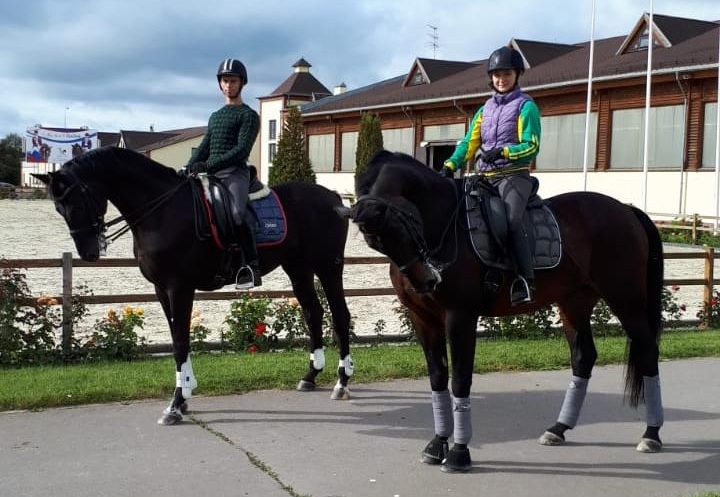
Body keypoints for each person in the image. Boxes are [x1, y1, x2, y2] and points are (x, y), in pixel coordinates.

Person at [442, 45, 541, 305]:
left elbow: (532, 144)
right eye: (497, 75)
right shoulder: (484, 110)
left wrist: (504, 152)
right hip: (484, 177)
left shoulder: (526, 106)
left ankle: (524, 281)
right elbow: (468, 143)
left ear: (517, 74)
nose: (501, 79)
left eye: (506, 74)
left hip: (514, 176)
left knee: (511, 220)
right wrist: (450, 165)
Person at [185, 58, 261, 289]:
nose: (229, 85)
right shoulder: (216, 116)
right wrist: (188, 166)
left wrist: (209, 165)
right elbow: (205, 146)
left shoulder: (249, 116)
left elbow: (241, 150)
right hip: (213, 174)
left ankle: (252, 267)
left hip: (235, 173)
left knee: (237, 215)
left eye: (233, 81)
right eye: (225, 81)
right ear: (220, 84)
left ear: (242, 83)